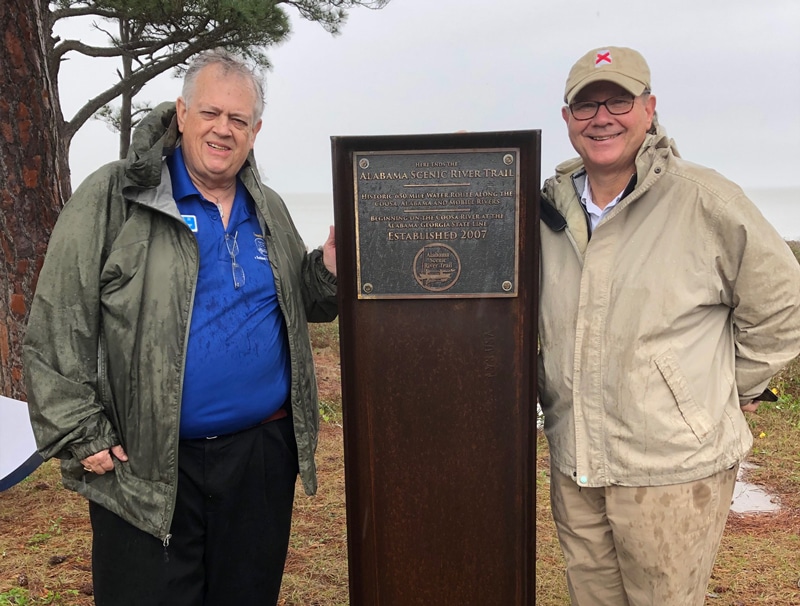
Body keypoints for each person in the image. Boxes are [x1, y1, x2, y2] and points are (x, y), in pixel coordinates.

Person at [23, 49, 337, 606]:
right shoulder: (116, 196)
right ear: (181, 114)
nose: (223, 129)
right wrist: (78, 430)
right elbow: (57, 319)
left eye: (239, 120)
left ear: (255, 131)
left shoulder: (267, 208)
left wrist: (329, 269)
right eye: (211, 113)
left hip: (259, 461)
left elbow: (300, 302)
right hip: (145, 467)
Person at [538, 46, 800, 606]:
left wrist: (730, 388)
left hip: (673, 470)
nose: (601, 117)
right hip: (576, 463)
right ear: (566, 120)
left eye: (618, 100)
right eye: (585, 106)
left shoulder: (705, 200)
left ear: (649, 108)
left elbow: (784, 303)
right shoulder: (545, 209)